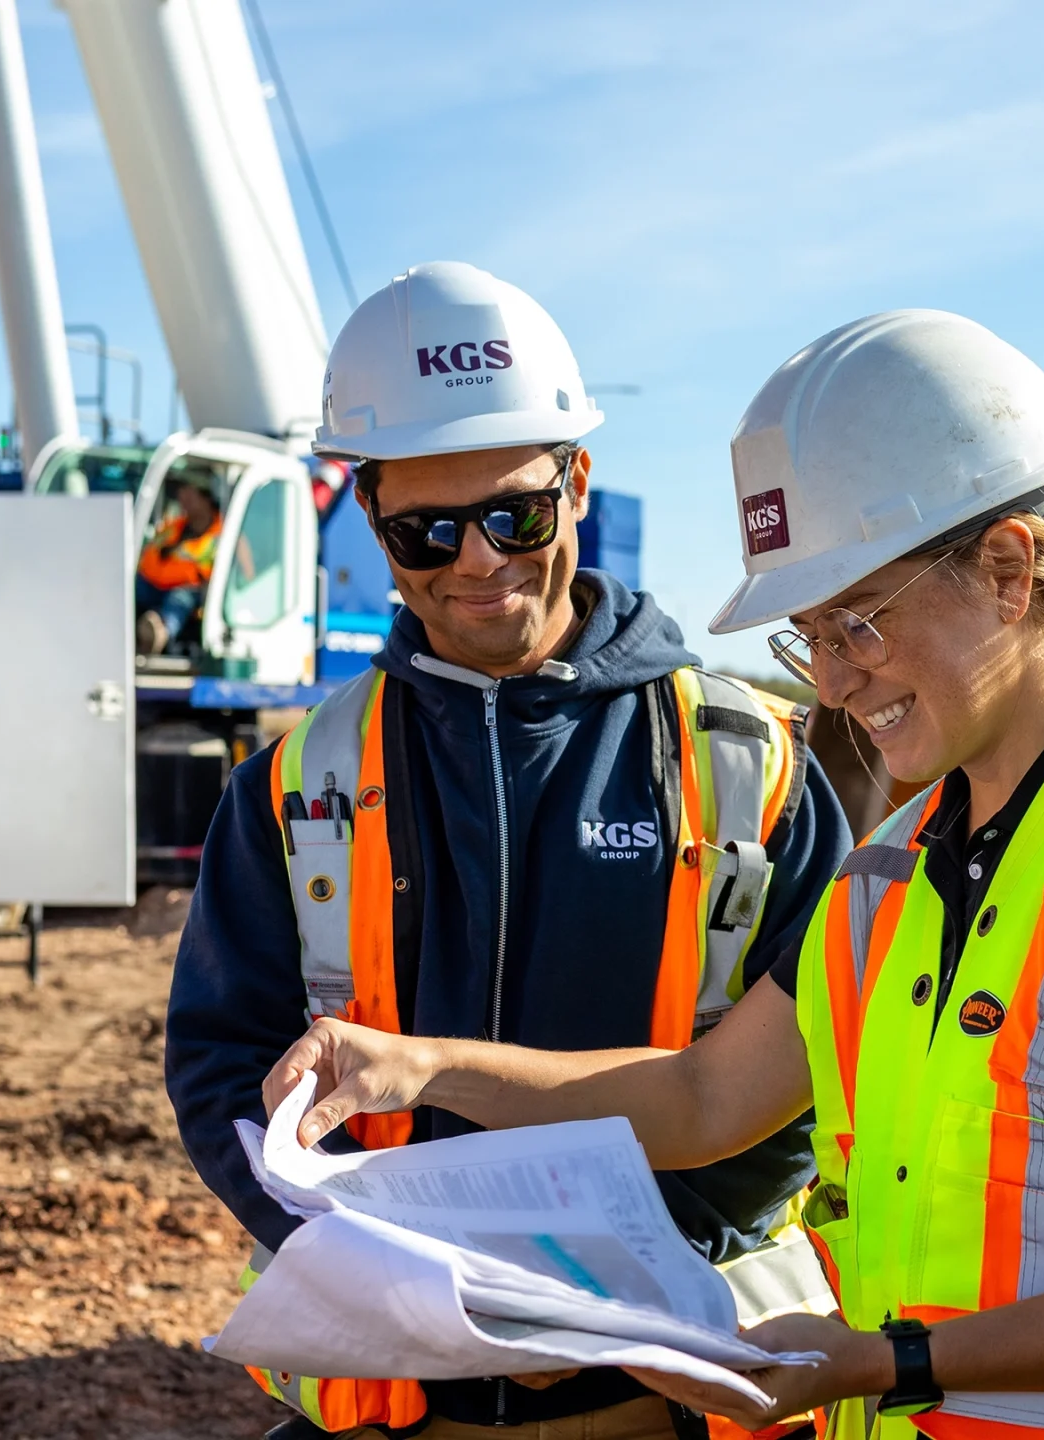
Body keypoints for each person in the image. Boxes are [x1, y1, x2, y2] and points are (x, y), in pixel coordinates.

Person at [263, 311, 1044, 1440]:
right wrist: (418, 1067)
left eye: (857, 625)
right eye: (811, 637)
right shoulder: (889, 876)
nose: (837, 681)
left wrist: (887, 1363)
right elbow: (703, 1099)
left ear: (1007, 569)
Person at [168, 261, 854, 1440]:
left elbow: (808, 1087)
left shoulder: (750, 765)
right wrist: (399, 1282)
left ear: (576, 483)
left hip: (657, 1397)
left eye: (513, 516)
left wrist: (593, 1303)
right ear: (370, 519)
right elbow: (224, 1065)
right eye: (426, 532)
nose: (477, 561)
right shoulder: (297, 788)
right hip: (395, 1399)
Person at [137, 471, 224, 655]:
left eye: (189, 492)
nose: (182, 498)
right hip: (155, 584)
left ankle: (159, 633)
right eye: (181, 492)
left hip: (195, 591)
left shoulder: (225, 534)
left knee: (179, 600)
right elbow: (150, 554)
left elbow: (245, 575)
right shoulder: (174, 526)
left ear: (205, 497)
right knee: (130, 589)